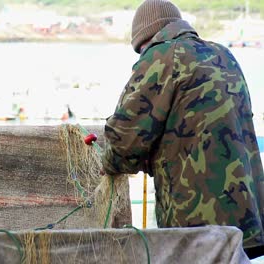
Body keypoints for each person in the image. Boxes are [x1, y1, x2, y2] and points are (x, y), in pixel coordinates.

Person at [101, 0, 264, 259]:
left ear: (147, 39)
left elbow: (124, 141)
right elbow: (193, 128)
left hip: (195, 226)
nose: (142, 55)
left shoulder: (161, 56)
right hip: (243, 221)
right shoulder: (224, 55)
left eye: (141, 49)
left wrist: (104, 161)